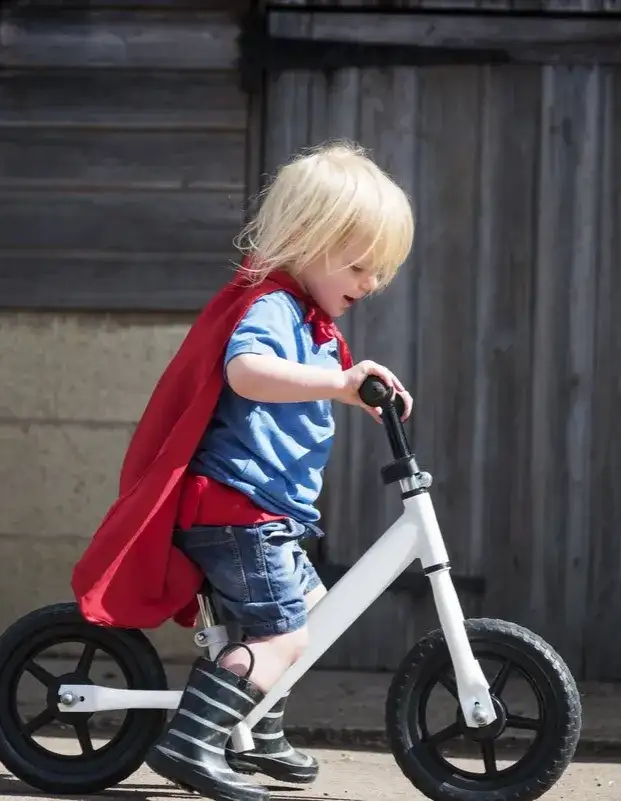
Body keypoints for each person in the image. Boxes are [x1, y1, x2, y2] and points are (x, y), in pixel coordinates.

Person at [70, 140, 415, 801]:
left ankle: (251, 727)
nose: (370, 283)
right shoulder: (271, 306)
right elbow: (246, 372)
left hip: (262, 511)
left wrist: (358, 388)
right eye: (359, 265)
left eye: (379, 271)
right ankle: (194, 742)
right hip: (236, 508)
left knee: (310, 612)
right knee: (283, 634)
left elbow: (317, 380)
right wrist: (340, 383)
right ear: (309, 239)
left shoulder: (310, 321)